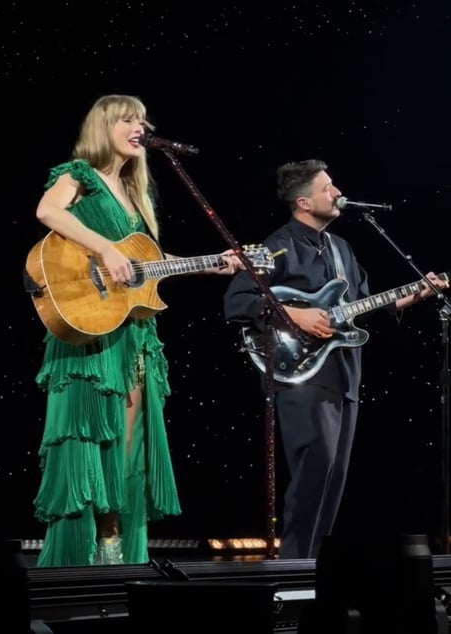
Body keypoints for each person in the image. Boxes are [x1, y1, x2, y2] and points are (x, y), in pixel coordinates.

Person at [31, 94, 244, 567]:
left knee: (128, 447)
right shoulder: (79, 175)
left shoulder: (134, 192)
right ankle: (77, 564)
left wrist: (210, 266)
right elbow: (48, 212)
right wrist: (106, 250)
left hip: (131, 333)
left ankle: (116, 555)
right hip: (87, 329)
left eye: (143, 121)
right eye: (128, 119)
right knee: (88, 438)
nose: (139, 128)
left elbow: (144, 266)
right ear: (103, 125)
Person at [222, 159, 448, 559]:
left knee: (333, 478)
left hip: (344, 373)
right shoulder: (277, 246)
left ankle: (313, 571)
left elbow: (366, 306)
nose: (338, 192)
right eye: (329, 187)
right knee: (313, 472)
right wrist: (296, 314)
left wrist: (418, 293)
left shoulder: (342, 249)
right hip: (301, 374)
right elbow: (238, 301)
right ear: (304, 202)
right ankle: (293, 568)